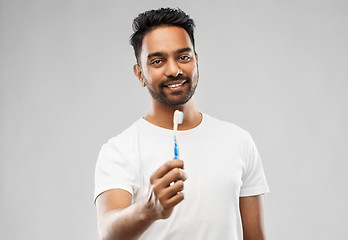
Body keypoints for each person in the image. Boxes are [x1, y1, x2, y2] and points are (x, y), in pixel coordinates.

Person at [94, 7, 269, 240]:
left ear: (196, 61)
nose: (174, 70)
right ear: (139, 74)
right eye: (157, 61)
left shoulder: (239, 141)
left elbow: (255, 236)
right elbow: (107, 231)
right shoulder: (119, 149)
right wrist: (148, 210)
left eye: (183, 57)